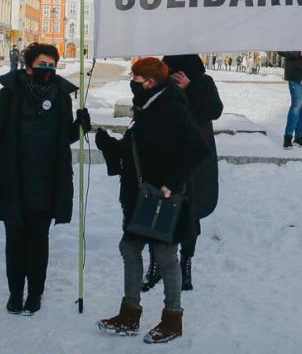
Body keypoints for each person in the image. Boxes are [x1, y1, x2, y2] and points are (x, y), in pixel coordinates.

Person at [94, 57, 210, 344]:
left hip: (163, 198)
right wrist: (101, 138)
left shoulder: (170, 105)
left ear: (150, 82)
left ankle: (173, 319)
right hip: (142, 196)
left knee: (165, 257)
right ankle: (130, 314)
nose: (132, 83)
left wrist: (172, 183)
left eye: (135, 79)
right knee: (130, 248)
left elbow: (198, 148)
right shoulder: (148, 105)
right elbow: (133, 151)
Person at [0, 43, 91, 315]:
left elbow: (64, 137)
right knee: (15, 240)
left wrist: (79, 126)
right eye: (43, 64)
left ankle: (35, 294)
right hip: (13, 179)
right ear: (29, 65)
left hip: (46, 181)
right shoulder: (8, 95)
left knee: (39, 241)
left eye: (52, 65)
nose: (48, 69)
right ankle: (15, 293)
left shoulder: (61, 95)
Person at [140, 55, 223, 293]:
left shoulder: (203, 81)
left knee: (191, 212)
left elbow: (214, 110)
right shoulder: (159, 78)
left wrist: (191, 86)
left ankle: (185, 263)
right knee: (158, 211)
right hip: (164, 156)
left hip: (194, 160)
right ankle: (156, 264)